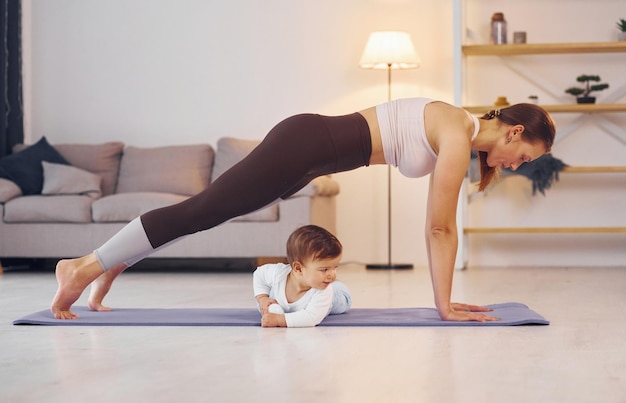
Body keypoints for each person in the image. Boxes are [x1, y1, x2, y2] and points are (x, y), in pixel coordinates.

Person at [51, 97, 555, 322]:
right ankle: (80, 266)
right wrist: (444, 306)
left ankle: (111, 262)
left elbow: (442, 223)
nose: (514, 166)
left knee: (207, 213)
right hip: (306, 143)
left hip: (309, 156)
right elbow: (441, 227)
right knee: (201, 209)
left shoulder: (461, 127)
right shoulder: (456, 130)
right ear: (514, 132)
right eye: (525, 157)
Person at [254, 224, 351, 328]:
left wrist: (280, 320)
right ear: (298, 268)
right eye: (324, 269)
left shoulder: (325, 290)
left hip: (336, 295)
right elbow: (259, 274)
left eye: (335, 267)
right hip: (297, 286)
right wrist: (262, 298)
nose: (332, 274)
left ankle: (339, 286)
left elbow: (311, 318)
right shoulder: (279, 274)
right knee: (272, 295)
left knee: (342, 299)